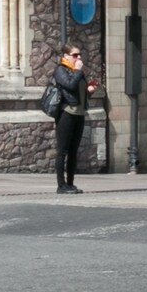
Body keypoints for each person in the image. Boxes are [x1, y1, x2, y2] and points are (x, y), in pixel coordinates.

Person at [50, 43, 97, 194]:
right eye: (75, 55)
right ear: (65, 56)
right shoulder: (60, 70)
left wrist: (89, 91)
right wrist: (77, 70)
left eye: (79, 55)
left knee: (73, 151)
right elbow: (69, 85)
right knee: (62, 150)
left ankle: (70, 183)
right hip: (66, 113)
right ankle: (61, 185)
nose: (79, 58)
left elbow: (78, 89)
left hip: (79, 113)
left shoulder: (78, 71)